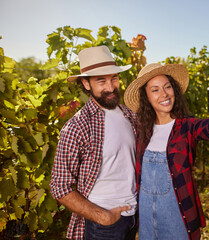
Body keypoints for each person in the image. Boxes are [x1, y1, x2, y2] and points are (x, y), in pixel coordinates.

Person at [124, 63, 209, 240]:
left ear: (174, 90)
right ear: (146, 97)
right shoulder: (141, 130)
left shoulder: (187, 126)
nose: (164, 94)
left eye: (167, 87)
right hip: (146, 219)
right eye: (155, 90)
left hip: (177, 218)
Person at [50, 45, 138, 240]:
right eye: (101, 81)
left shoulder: (130, 116)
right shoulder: (77, 127)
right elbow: (60, 186)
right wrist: (104, 217)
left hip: (132, 216)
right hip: (102, 226)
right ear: (86, 84)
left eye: (113, 78)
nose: (110, 86)